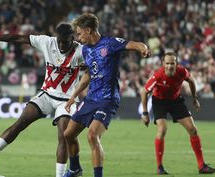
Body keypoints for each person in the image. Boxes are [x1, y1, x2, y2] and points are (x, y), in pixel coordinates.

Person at [0, 23, 84, 177]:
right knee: (20, 123)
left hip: (67, 100)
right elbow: (17, 38)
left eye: (66, 41)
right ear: (56, 37)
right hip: (46, 94)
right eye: (60, 41)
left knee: (63, 135)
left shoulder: (81, 51)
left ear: (73, 38)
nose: (62, 45)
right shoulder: (47, 42)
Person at [63, 13, 151, 177]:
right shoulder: (87, 49)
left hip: (107, 100)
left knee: (92, 136)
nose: (78, 37)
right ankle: (75, 169)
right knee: (68, 134)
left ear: (88, 30)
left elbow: (135, 44)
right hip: (90, 99)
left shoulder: (110, 43)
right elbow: (88, 75)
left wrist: (143, 49)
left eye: (80, 33)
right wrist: (74, 95)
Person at [140, 52, 215, 174]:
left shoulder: (182, 71)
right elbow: (144, 92)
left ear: (176, 64)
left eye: (172, 63)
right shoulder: (158, 76)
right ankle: (160, 167)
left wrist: (194, 98)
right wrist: (145, 113)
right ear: (163, 64)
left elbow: (191, 81)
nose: (170, 66)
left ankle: (202, 166)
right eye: (167, 63)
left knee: (193, 130)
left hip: (176, 101)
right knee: (162, 129)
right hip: (159, 102)